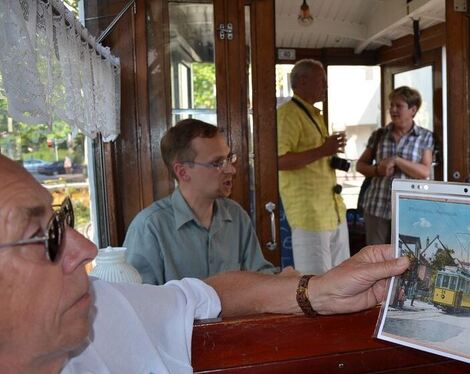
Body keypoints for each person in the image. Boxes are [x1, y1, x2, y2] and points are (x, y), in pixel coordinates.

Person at [0, 153, 410, 372]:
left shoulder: (105, 311)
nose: (86, 248)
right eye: (45, 236)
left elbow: (210, 295)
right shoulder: (150, 225)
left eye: (63, 220)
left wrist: (317, 290)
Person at [124, 119, 275, 285]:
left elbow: (261, 278)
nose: (231, 169)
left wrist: (284, 281)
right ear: (182, 172)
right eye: (217, 163)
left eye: (229, 158)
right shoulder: (149, 227)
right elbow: (138, 301)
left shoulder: (236, 215)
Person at [277, 59, 350, 274]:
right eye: (321, 81)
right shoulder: (287, 114)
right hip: (309, 215)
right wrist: (323, 151)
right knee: (316, 286)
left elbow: (317, 157)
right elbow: (279, 161)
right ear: (302, 81)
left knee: (342, 278)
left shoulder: (314, 114)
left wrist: (328, 152)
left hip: (333, 211)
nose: (325, 87)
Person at [355, 86, 434, 245]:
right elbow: (360, 166)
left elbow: (424, 172)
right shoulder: (379, 135)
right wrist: (378, 170)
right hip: (376, 207)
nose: (393, 110)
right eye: (391, 105)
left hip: (409, 210)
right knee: (375, 260)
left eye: (399, 106)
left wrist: (397, 160)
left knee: (404, 260)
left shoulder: (425, 136)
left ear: (413, 109)